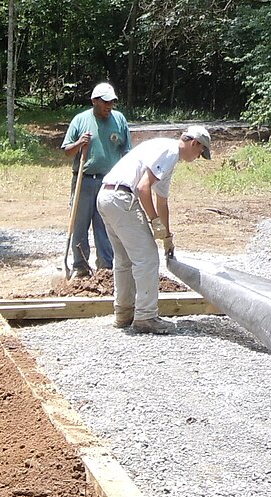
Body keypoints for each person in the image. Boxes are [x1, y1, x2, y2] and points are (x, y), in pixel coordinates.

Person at [95, 125, 212, 334]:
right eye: (200, 152)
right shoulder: (170, 151)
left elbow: (162, 202)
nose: (198, 156)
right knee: (147, 258)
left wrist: (167, 236)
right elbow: (142, 188)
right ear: (194, 143)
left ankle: (123, 314)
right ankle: (146, 317)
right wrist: (154, 221)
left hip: (106, 196)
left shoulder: (164, 153)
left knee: (124, 260)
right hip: (122, 198)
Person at [60, 82, 132, 276]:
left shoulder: (119, 120)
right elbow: (67, 151)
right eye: (106, 102)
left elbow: (127, 152)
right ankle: (80, 268)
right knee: (80, 226)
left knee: (105, 227)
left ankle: (105, 270)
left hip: (109, 184)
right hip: (84, 181)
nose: (109, 106)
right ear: (94, 101)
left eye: (112, 102)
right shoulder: (80, 120)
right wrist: (79, 143)